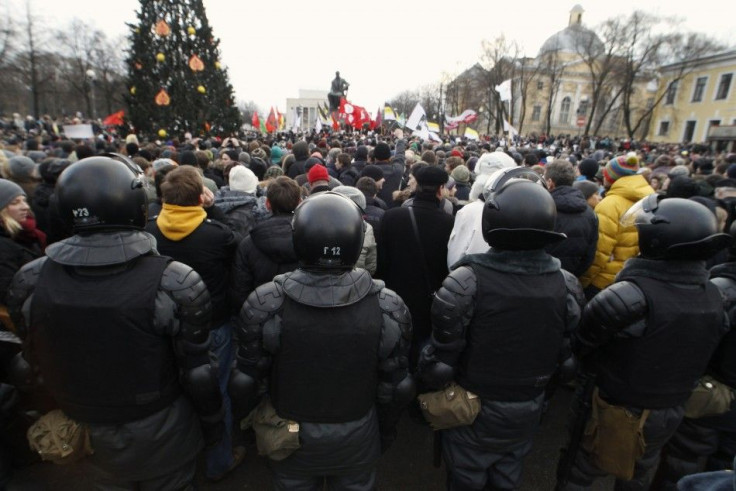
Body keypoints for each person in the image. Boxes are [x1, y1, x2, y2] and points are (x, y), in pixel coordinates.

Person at [7, 156, 223, 489]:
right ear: (137, 203)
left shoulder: (30, 280)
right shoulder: (174, 280)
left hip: (88, 432)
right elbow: (197, 371)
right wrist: (213, 425)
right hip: (158, 431)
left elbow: (32, 365)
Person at [229, 192, 414, 490]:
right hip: (357, 430)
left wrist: (255, 426)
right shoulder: (387, 305)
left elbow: (247, 382)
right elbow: (395, 387)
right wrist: (384, 432)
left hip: (290, 430)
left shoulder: (266, 301)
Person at [418, 179, 584, 491]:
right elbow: (567, 356)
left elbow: (440, 362)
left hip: (474, 403)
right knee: (509, 470)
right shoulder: (567, 283)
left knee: (466, 474)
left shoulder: (466, 281)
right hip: (529, 402)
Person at [557, 195, 732, 490]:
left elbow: (583, 342)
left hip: (613, 402)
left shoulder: (628, 295)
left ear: (656, 239)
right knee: (639, 471)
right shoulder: (715, 295)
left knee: (581, 469)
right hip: (671, 406)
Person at [145, 165, 241, 482]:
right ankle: (219, 461)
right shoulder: (216, 234)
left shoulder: (148, 234)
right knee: (218, 392)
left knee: (174, 394)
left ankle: (181, 462)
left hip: (165, 329)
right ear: (201, 196)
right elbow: (234, 244)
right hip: (214, 325)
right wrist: (214, 210)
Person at [653, 226, 736, 489]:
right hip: (720, 391)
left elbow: (691, 340)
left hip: (710, 388)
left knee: (684, 458)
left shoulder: (719, 290)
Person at [377, 165, 454, 367]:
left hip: (393, 297)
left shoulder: (392, 216)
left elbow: (381, 261)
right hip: (428, 302)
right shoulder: (448, 223)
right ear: (440, 190)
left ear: (416, 187)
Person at [579, 153, 654, 299]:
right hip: (631, 278)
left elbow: (600, 250)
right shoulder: (649, 199)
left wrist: (583, 282)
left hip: (603, 281)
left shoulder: (610, 204)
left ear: (611, 177)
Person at [231, 176, 301, 311]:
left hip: (261, 314)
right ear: (299, 202)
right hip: (301, 315)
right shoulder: (311, 240)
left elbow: (240, 291)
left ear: (267, 204)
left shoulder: (248, 244)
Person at [544, 160, 598, 277]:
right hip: (571, 279)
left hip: (541, 277)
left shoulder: (543, 208)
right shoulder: (589, 213)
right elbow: (590, 255)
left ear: (550, 182)